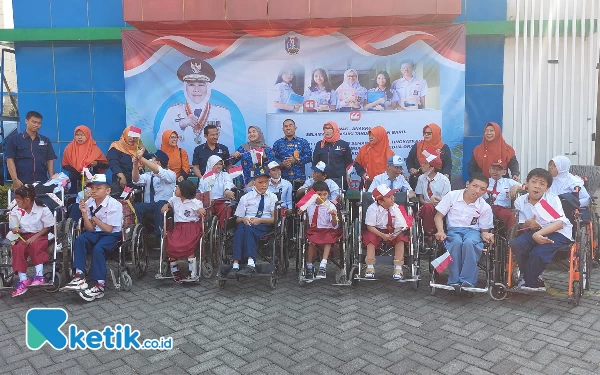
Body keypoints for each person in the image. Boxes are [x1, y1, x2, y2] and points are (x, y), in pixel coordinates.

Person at [62, 174, 123, 302]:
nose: (94, 191)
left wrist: (94, 218)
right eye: (92, 188)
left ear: (108, 190)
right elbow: (90, 228)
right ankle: (79, 275)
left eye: (98, 188)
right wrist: (84, 213)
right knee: (81, 239)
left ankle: (100, 285)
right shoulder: (89, 203)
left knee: (98, 248)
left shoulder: (114, 204)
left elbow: (108, 229)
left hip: (112, 235)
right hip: (96, 232)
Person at [510, 168, 573, 291]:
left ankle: (529, 281)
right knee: (516, 243)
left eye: (542, 184)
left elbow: (560, 223)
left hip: (558, 232)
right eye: (534, 182)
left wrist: (538, 234)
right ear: (526, 183)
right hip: (535, 231)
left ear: (547, 188)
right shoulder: (520, 201)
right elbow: (523, 224)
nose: (537, 186)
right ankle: (532, 277)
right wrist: (528, 223)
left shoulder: (550, 200)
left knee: (538, 253)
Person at [156, 59, 234, 158]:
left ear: (208, 87)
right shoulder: (172, 111)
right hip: (180, 167)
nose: (196, 89)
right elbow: (158, 144)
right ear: (185, 87)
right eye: (191, 84)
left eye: (201, 84)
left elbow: (229, 148)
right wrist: (180, 125)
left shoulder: (222, 113)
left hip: (211, 168)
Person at [434, 173, 494, 289]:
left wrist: (486, 234)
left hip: (473, 232)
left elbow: (484, 230)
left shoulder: (485, 207)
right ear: (468, 184)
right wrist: (440, 231)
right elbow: (438, 216)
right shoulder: (452, 196)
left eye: (482, 189)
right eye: (474, 186)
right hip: (453, 230)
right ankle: (454, 281)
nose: (477, 191)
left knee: (469, 243)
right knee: (456, 243)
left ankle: (468, 281)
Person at [228, 167, 278, 277]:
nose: (264, 185)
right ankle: (236, 265)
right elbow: (238, 219)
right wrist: (244, 219)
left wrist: (260, 220)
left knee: (246, 229)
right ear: (254, 182)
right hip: (247, 223)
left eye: (266, 182)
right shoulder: (246, 197)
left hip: (264, 224)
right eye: (260, 182)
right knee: (240, 229)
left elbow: (275, 219)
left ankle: (250, 264)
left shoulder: (272, 197)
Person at [8, 185, 55, 297]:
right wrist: (15, 229)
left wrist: (34, 237)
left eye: (18, 199)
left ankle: (39, 275)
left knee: (35, 245)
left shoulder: (42, 209)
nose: (16, 201)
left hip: (40, 234)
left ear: (27, 200)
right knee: (17, 248)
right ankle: (23, 279)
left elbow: (47, 227)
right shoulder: (16, 210)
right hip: (23, 236)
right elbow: (13, 227)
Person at [362, 184, 412, 280]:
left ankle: (398, 267)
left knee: (400, 238)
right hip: (376, 230)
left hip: (392, 230)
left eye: (392, 195)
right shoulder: (372, 209)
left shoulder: (396, 208)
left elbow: (399, 225)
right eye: (389, 197)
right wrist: (382, 235)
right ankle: (370, 267)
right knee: (370, 238)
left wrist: (395, 234)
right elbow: (370, 226)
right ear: (380, 201)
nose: (393, 198)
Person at [161, 180, 206, 283]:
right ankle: (175, 271)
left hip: (191, 227)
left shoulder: (196, 202)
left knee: (189, 247)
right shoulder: (174, 199)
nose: (175, 190)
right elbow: (169, 203)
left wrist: (200, 211)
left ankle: (192, 273)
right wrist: (166, 206)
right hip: (178, 227)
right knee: (172, 244)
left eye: (177, 188)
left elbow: (202, 212)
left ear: (184, 192)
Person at [132, 150, 177, 241]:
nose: (149, 161)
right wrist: (135, 165)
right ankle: (139, 234)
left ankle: (157, 235)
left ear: (158, 162)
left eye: (152, 159)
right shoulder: (148, 175)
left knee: (159, 204)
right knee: (136, 207)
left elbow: (158, 170)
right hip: (149, 205)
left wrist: (141, 158)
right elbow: (136, 180)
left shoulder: (170, 174)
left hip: (165, 206)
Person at [6, 111, 57, 188]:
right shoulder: (14, 139)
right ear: (26, 121)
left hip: (42, 182)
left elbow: (50, 159)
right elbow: (10, 160)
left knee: (42, 200)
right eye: (34, 122)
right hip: (21, 182)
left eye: (39, 123)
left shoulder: (46, 140)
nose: (36, 125)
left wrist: (51, 177)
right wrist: (15, 179)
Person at [302, 181, 341, 279]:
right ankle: (309, 265)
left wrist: (333, 216)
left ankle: (323, 265)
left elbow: (334, 224)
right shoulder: (309, 204)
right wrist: (301, 210)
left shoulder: (331, 206)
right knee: (311, 241)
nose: (322, 197)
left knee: (328, 239)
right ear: (314, 194)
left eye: (325, 194)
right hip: (314, 229)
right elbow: (301, 209)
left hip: (328, 229)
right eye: (319, 194)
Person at [62, 125, 108, 194]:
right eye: (77, 135)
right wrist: (77, 171)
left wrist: (96, 163)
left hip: (94, 183)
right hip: (75, 183)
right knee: (76, 202)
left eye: (82, 135)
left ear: (87, 135)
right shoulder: (69, 148)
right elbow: (65, 165)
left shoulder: (94, 148)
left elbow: (105, 165)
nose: (79, 137)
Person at [406, 124, 452, 189]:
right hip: (419, 179)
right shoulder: (418, 145)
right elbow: (409, 160)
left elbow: (448, 165)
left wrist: (444, 177)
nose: (426, 135)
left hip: (437, 181)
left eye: (429, 133)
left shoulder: (443, 147)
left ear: (435, 134)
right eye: (425, 132)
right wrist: (411, 169)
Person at [415, 155, 451, 235]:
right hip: (426, 206)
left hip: (441, 208)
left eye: (425, 164)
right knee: (428, 207)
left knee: (433, 208)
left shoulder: (444, 180)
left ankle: (435, 232)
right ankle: (429, 234)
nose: (422, 165)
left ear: (432, 168)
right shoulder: (421, 178)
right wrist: (429, 203)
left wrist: (436, 202)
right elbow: (420, 199)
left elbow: (447, 200)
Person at [107, 126, 151, 191]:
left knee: (138, 200)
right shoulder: (116, 146)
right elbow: (113, 163)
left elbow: (150, 158)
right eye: (129, 136)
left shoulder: (137, 147)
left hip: (138, 181)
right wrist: (121, 176)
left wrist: (142, 147)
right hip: (122, 180)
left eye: (134, 137)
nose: (132, 138)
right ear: (125, 134)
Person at [198, 155, 236, 227]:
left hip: (221, 201)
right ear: (211, 164)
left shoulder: (225, 175)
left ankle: (223, 230)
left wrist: (227, 190)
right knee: (202, 211)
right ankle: (204, 231)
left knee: (225, 209)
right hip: (208, 203)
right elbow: (201, 192)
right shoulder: (204, 178)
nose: (219, 166)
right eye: (216, 164)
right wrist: (207, 200)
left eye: (220, 164)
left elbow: (228, 183)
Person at [312, 121, 352, 189]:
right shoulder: (319, 144)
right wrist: (314, 175)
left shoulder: (343, 144)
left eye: (330, 128)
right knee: (322, 198)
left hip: (339, 178)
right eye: (325, 128)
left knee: (337, 199)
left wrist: (348, 176)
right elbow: (315, 162)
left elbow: (348, 163)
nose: (327, 131)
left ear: (335, 130)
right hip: (323, 178)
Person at [484, 161, 521, 231]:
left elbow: (525, 186)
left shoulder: (508, 182)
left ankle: (511, 239)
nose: (495, 171)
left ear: (504, 172)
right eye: (493, 169)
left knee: (510, 216)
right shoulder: (484, 181)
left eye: (498, 170)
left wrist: (516, 186)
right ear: (489, 170)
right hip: (485, 208)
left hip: (501, 208)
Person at [272, 119, 312, 183]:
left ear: (295, 128)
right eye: (286, 126)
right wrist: (281, 164)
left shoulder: (303, 142)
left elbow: (309, 157)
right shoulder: (277, 143)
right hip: (282, 179)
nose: (288, 128)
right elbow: (273, 159)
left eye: (290, 125)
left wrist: (295, 161)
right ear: (283, 129)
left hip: (299, 178)